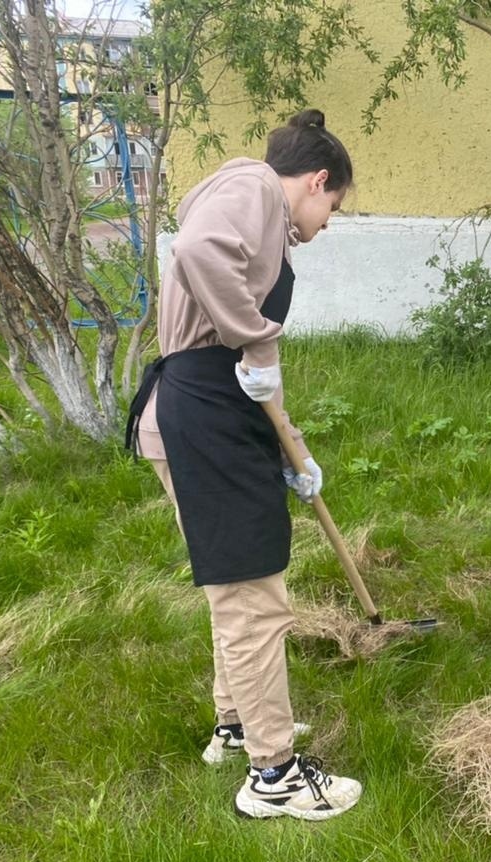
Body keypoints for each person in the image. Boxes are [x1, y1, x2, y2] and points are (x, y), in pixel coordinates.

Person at [126, 109, 362, 817]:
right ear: (316, 180)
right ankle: (275, 777)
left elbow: (251, 371)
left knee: (235, 589)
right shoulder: (255, 189)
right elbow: (197, 253)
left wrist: (292, 447)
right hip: (203, 418)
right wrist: (258, 340)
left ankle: (236, 723)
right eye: (334, 206)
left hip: (214, 414)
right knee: (255, 598)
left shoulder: (252, 203)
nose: (327, 223)